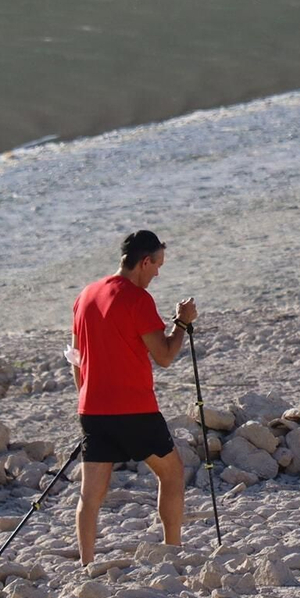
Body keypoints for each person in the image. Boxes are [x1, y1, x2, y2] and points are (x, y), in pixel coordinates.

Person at [68, 230, 197, 565]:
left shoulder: (85, 295)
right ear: (144, 261)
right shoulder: (137, 300)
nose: (158, 273)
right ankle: (173, 551)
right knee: (171, 473)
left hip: (92, 409)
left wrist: (84, 398)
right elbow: (166, 356)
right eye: (157, 265)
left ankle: (87, 564)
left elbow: (76, 358)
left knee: (90, 494)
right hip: (135, 409)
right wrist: (182, 324)